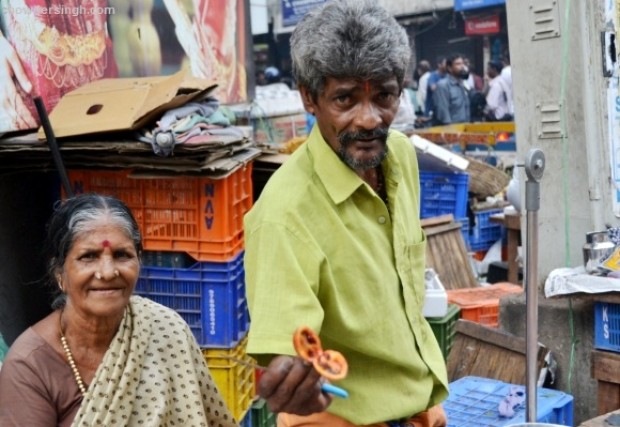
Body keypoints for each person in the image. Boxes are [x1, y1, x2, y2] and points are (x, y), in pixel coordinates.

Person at [243, 1, 449, 427]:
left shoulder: (402, 159)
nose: (369, 118)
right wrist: (293, 375)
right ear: (309, 98)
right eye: (345, 99)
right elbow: (291, 349)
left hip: (419, 409)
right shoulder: (284, 211)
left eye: (384, 96)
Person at [0, 194, 237, 427]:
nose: (107, 272)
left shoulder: (165, 328)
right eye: (89, 256)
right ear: (60, 273)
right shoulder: (30, 366)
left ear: (139, 262)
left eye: (121, 255)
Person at [433, 53, 471, 125]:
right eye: (458, 64)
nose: (462, 66)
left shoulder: (462, 84)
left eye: (463, 63)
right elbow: (443, 112)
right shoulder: (443, 85)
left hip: (464, 128)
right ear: (449, 68)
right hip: (452, 130)